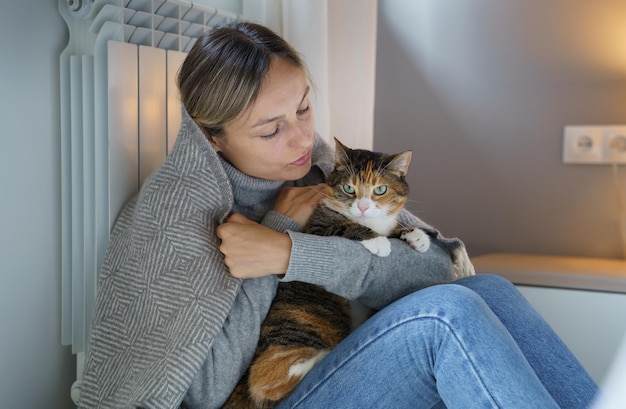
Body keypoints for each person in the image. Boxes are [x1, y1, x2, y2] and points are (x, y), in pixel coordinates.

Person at [77, 21, 598, 409]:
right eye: (270, 129)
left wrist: (291, 252)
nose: (304, 139)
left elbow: (441, 270)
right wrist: (271, 241)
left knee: (489, 292)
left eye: (303, 108)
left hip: (331, 360)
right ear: (211, 137)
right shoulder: (176, 219)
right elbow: (204, 393)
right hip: (268, 397)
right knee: (445, 320)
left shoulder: (322, 175)